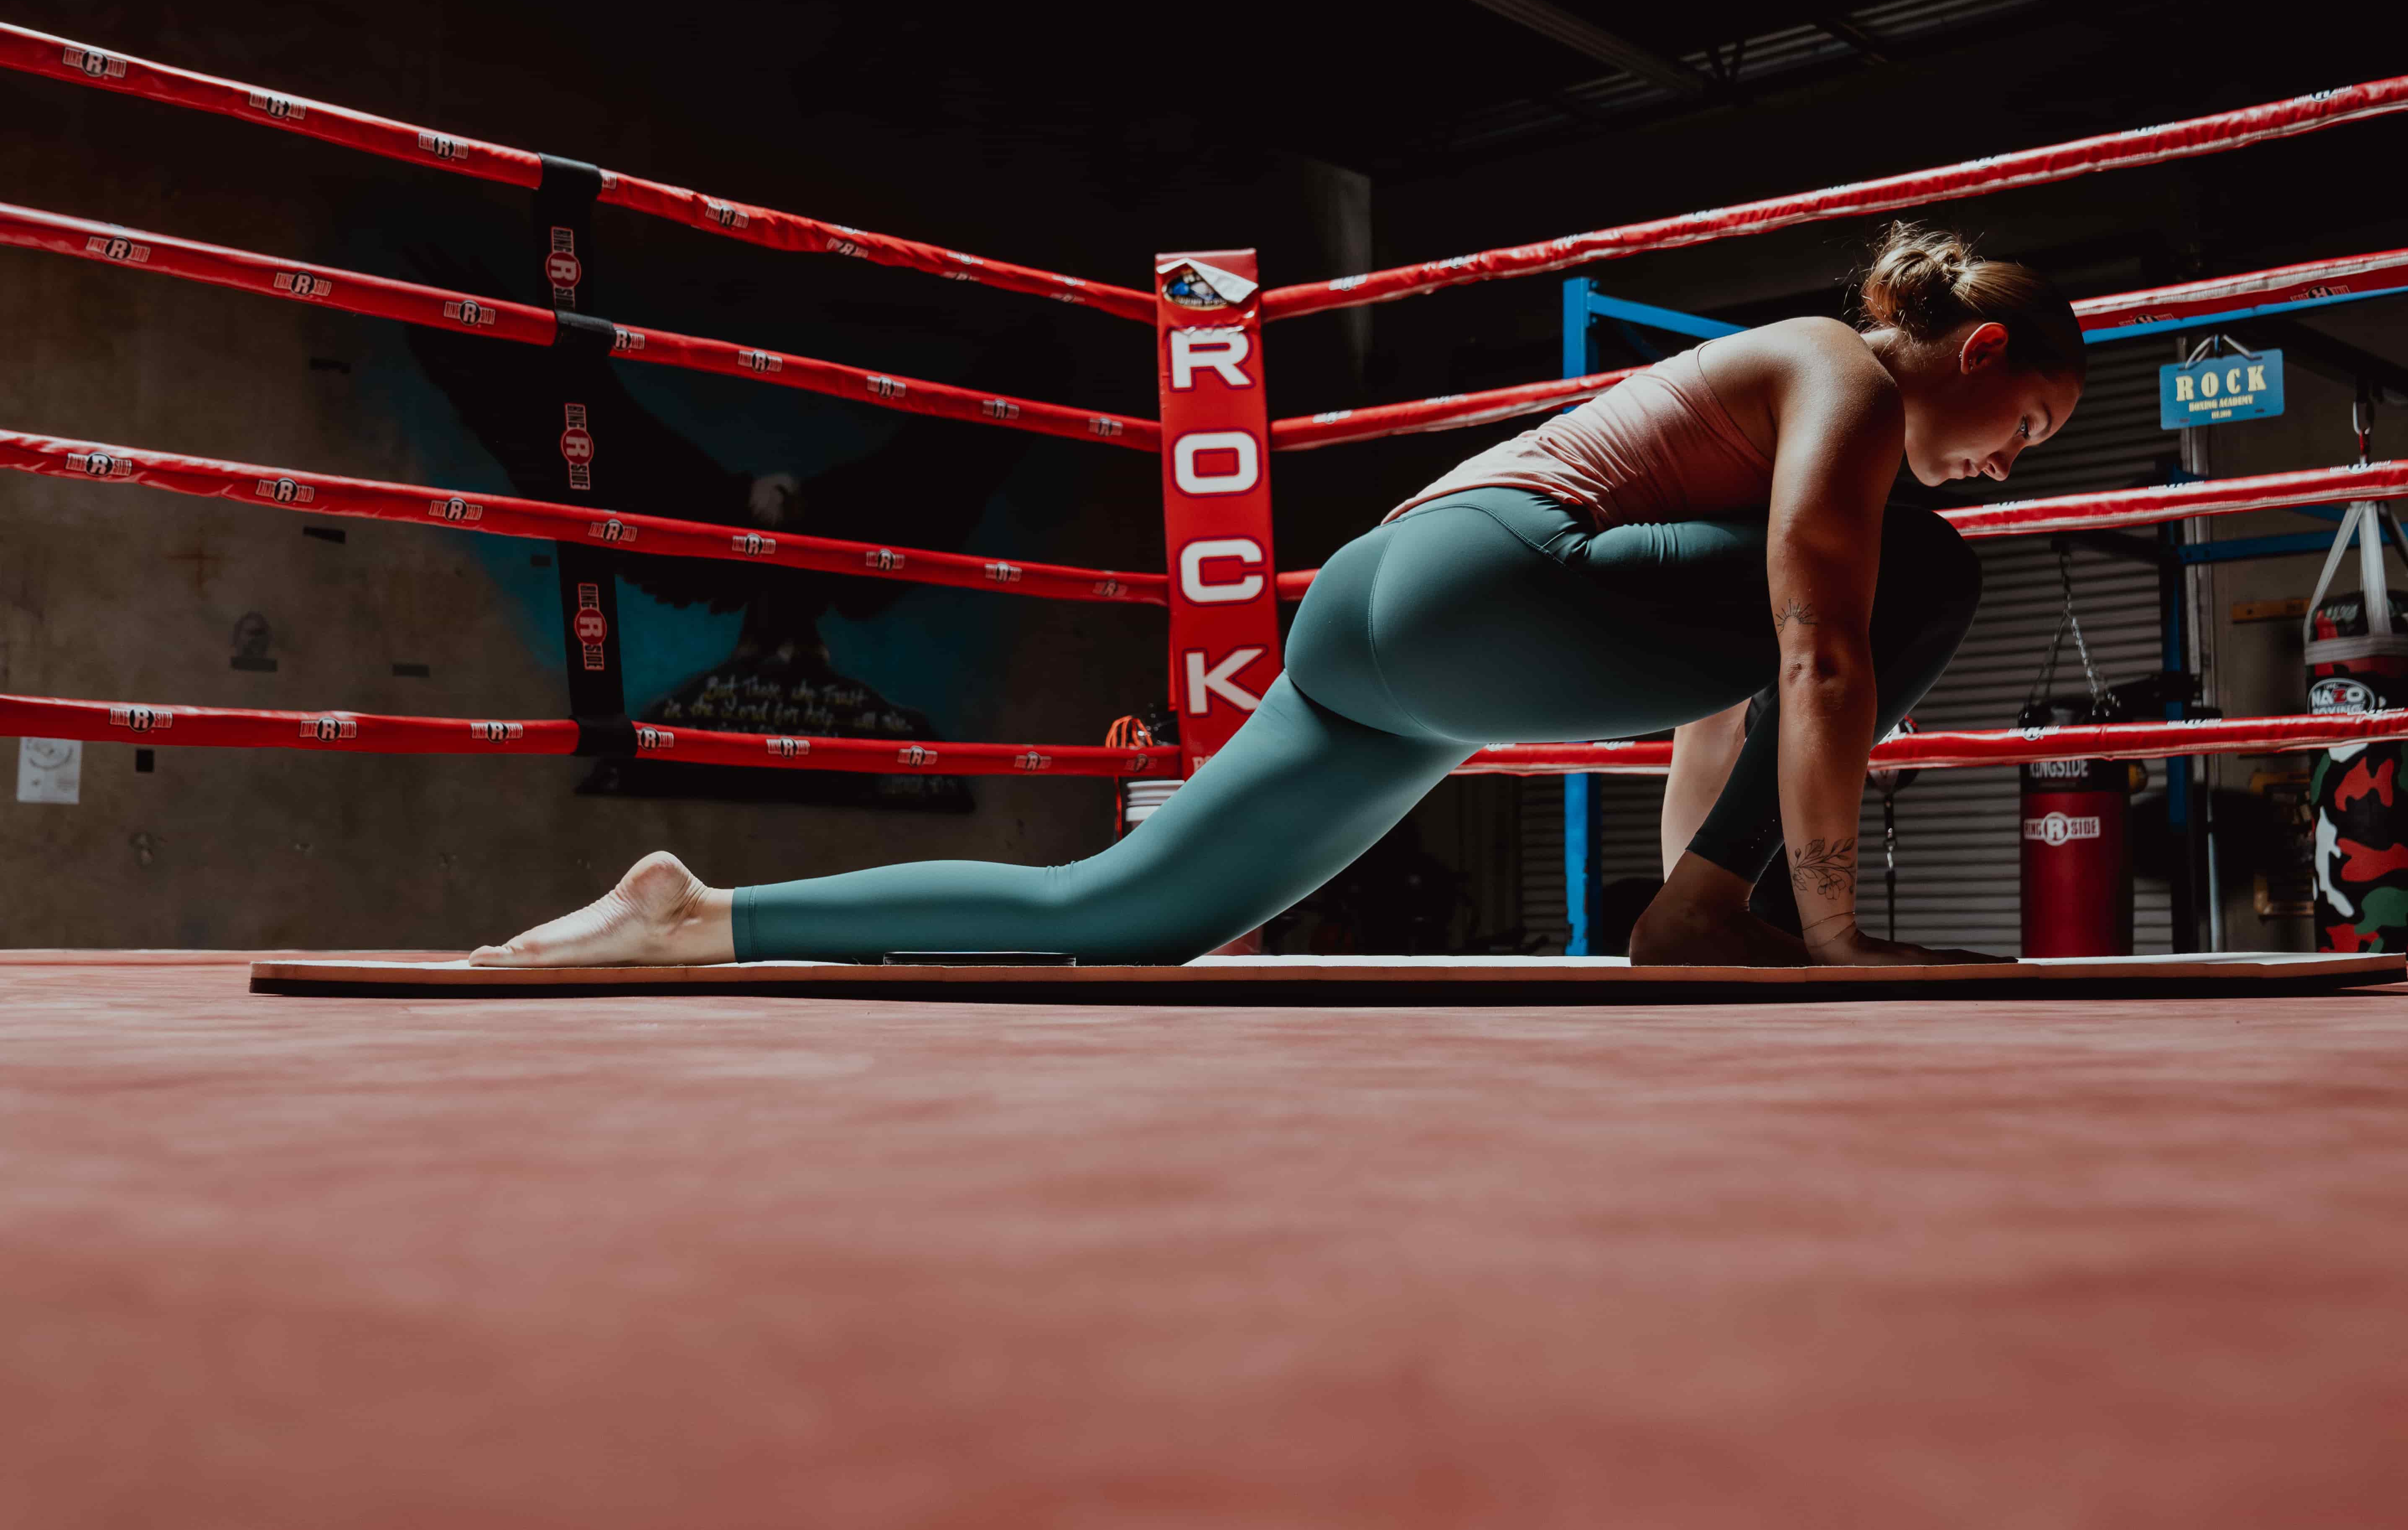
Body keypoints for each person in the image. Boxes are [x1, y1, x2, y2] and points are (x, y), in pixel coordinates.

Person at [475, 223, 2085, 971]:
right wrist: (1834, 936)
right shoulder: (1849, 384)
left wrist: (1699, 902)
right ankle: (1727, 920)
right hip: (1496, 589)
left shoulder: (1783, 411)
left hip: (1377, 618)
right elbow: (1815, 655)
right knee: (1918, 579)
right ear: (1981, 355)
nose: (2010, 461)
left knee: (1122, 919)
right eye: (2023, 430)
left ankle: (699, 921)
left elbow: (1724, 682)